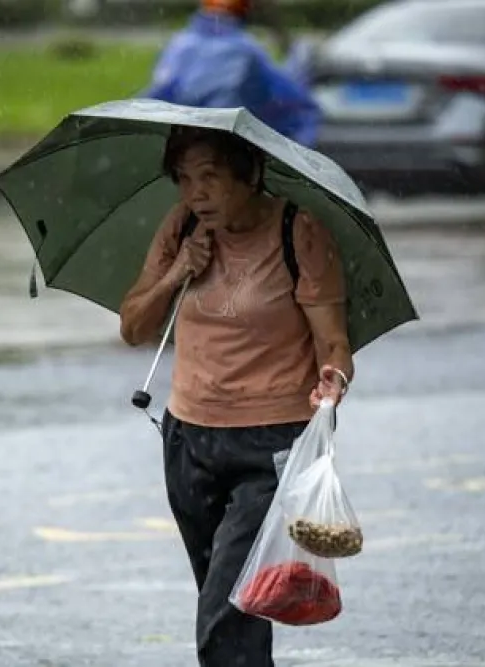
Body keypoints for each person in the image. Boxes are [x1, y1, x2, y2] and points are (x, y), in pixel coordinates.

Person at [119, 126, 354, 667]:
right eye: (183, 180)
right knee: (225, 600)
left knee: (228, 606)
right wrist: (179, 270)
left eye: (210, 178)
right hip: (187, 441)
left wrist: (334, 380)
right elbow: (134, 327)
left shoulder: (299, 232)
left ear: (250, 176)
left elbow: (335, 344)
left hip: (271, 443)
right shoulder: (180, 229)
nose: (195, 194)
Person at [140, 0, 322, 148]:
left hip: (183, 147)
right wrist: (299, 63)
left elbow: (157, 98)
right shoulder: (246, 53)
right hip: (228, 151)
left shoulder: (179, 46)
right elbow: (293, 106)